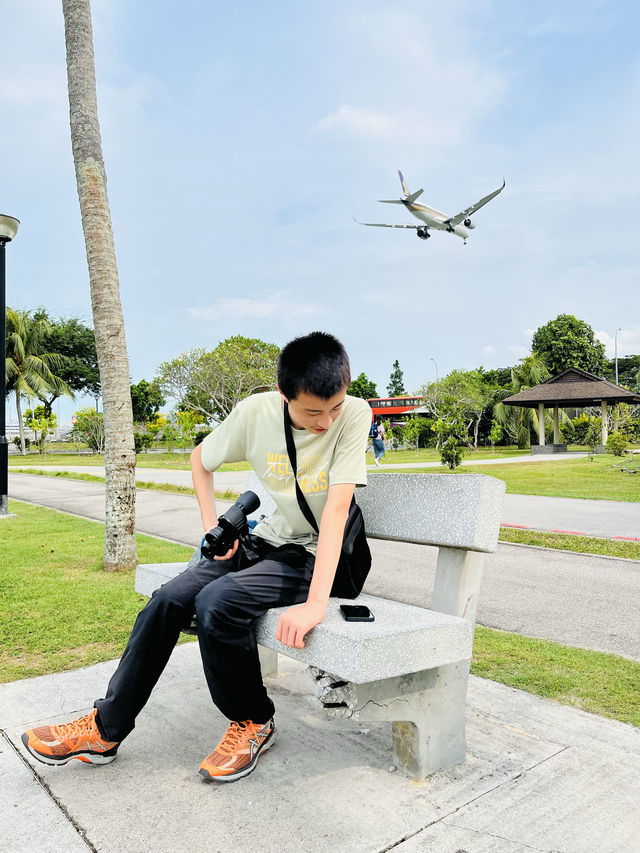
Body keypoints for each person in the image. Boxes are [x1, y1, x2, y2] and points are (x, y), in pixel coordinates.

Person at [22, 332, 372, 783]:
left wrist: (316, 605)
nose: (326, 421)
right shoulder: (255, 413)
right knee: (168, 599)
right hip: (262, 541)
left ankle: (253, 721)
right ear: (284, 395)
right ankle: (105, 729)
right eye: (312, 411)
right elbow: (200, 460)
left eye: (334, 408)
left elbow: (338, 511)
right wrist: (214, 528)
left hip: (313, 554)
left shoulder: (355, 414)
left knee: (218, 601)